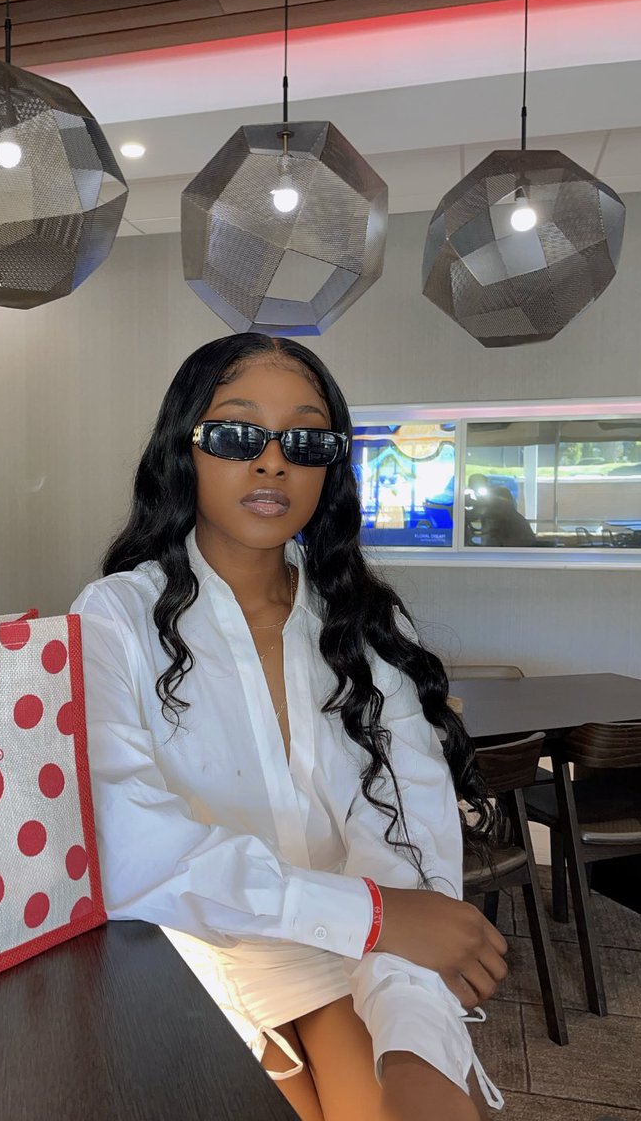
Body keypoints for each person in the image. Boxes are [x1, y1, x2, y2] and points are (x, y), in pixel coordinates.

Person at [70, 334, 507, 1121]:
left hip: (350, 948)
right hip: (185, 954)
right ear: (185, 449)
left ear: (329, 467)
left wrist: (413, 1034)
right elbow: (132, 847)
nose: (272, 463)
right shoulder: (113, 618)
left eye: (304, 441)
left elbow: (408, 841)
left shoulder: (366, 626)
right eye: (238, 434)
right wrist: (374, 916)